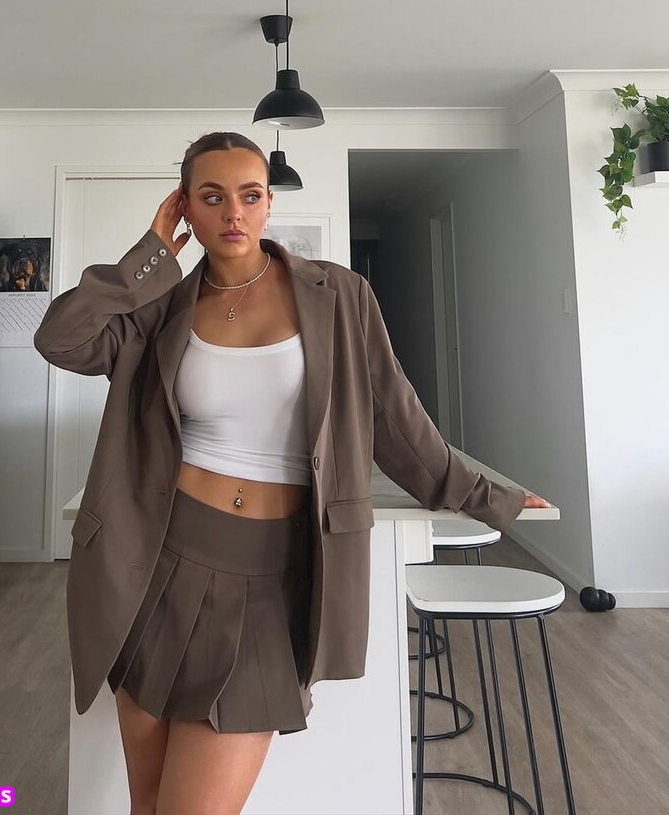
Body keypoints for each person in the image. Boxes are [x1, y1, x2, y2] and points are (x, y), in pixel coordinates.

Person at [33, 131, 550, 815]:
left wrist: (486, 496)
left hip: (273, 578)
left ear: (269, 204)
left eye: (250, 195)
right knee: (146, 805)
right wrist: (151, 253)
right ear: (183, 206)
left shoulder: (337, 294)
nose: (233, 213)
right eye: (211, 197)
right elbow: (60, 339)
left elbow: (394, 418)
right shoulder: (157, 308)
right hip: (158, 565)